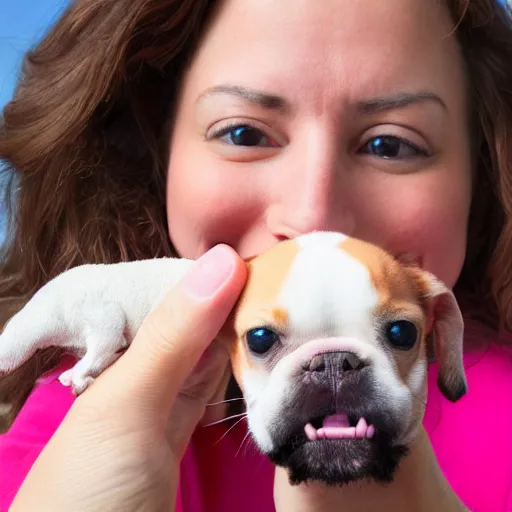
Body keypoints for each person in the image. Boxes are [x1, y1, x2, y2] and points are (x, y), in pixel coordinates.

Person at [0, 0, 512, 510]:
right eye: (243, 133)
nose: (314, 220)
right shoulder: (70, 430)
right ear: (157, 152)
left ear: (483, 174)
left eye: (391, 145)